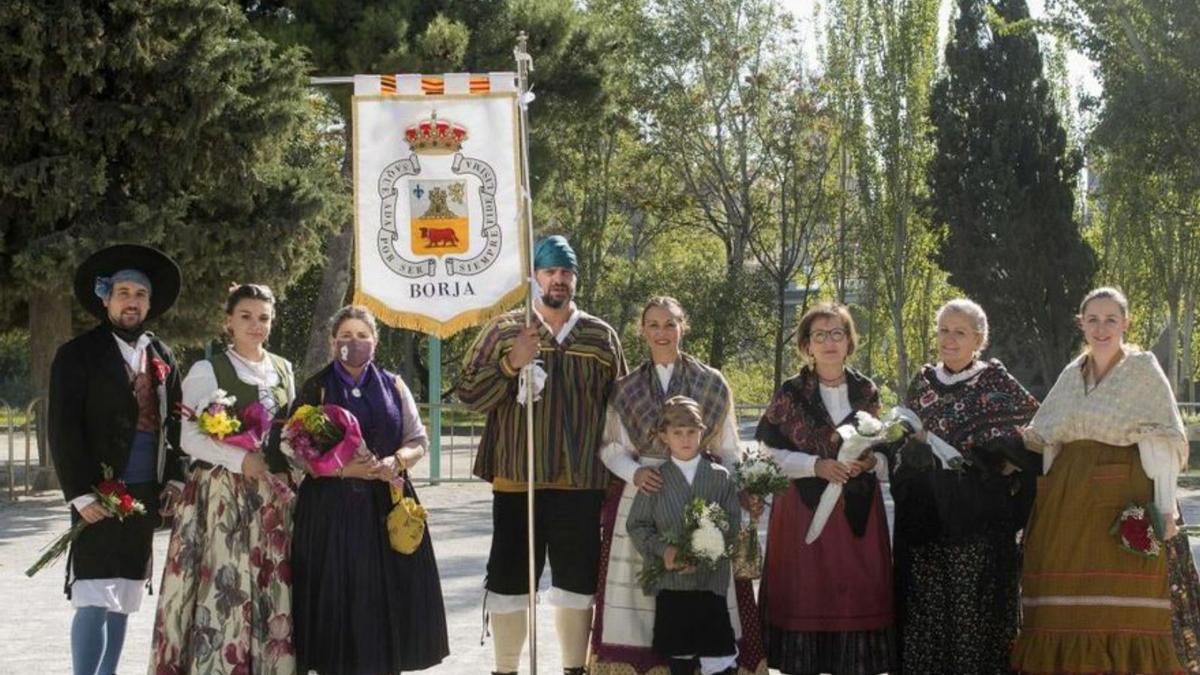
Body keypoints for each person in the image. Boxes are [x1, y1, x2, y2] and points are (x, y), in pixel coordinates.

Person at [458, 235, 626, 675]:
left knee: (577, 581)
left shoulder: (599, 335)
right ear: (534, 276)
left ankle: (573, 667)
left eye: (566, 272)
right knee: (511, 580)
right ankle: (506, 668)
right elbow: (469, 395)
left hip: (581, 480)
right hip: (518, 476)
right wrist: (511, 363)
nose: (558, 280)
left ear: (575, 278)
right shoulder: (504, 329)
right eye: (550, 271)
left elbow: (619, 410)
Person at [1012, 287, 1189, 675]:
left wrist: (1164, 508)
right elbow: (1046, 437)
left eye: (1111, 319)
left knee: (1128, 598)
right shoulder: (1070, 374)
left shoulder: (1142, 370)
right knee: (1062, 599)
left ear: (1126, 323)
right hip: (1065, 504)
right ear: (1081, 324)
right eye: (1092, 319)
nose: (1101, 327)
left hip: (1126, 497)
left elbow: (1162, 440)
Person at [590, 296, 768, 675]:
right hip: (647, 488)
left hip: (704, 487)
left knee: (705, 577)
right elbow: (610, 448)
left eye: (669, 324)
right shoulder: (626, 387)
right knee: (644, 583)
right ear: (642, 331)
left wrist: (741, 491)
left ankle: (714, 661)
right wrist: (634, 473)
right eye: (653, 325)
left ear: (682, 327)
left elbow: (728, 448)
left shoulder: (712, 382)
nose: (661, 332)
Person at [290, 305, 449, 674]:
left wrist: (397, 461)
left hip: (385, 510)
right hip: (330, 513)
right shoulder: (316, 387)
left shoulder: (394, 385)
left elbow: (418, 438)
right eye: (345, 336)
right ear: (333, 343)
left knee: (383, 604)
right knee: (337, 605)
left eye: (362, 335)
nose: (354, 343)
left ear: (374, 343)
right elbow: (294, 451)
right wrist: (340, 469)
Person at [49, 244, 185, 675]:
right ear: (105, 298)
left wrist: (175, 481)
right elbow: (63, 428)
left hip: (146, 492)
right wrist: (78, 494)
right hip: (97, 493)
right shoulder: (77, 354)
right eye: (123, 292)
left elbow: (177, 424)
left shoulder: (162, 355)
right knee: (93, 595)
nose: (132, 301)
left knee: (124, 595)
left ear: (149, 302)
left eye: (140, 294)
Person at [150, 283, 297, 673]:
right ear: (228, 322)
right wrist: (237, 457)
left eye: (263, 318)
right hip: (220, 496)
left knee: (270, 587)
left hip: (270, 498)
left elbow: (289, 433)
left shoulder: (284, 369)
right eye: (246, 317)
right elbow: (188, 436)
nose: (255, 325)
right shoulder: (207, 369)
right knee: (225, 587)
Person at [888, 298, 1039, 674]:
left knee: (976, 616)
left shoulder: (996, 382)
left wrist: (999, 458)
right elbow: (901, 448)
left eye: (960, 332)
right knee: (926, 616)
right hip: (926, 527)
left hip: (979, 527)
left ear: (979, 339)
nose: (949, 339)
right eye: (943, 330)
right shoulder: (922, 381)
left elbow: (1032, 439)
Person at [753, 302, 896, 675]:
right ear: (807, 346)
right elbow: (768, 450)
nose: (830, 342)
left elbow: (883, 453)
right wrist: (814, 465)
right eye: (820, 335)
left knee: (855, 591)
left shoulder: (867, 391)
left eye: (837, 334)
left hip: (857, 512)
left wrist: (869, 463)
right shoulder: (790, 394)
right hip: (802, 509)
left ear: (849, 342)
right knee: (807, 593)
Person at [626, 396, 742, 675]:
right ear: (664, 436)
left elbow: (732, 524)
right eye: (677, 433)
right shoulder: (656, 478)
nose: (685, 439)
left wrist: (710, 548)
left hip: (710, 582)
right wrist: (664, 551)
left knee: (719, 657)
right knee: (681, 658)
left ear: (702, 432)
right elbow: (637, 525)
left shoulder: (719, 477)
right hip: (672, 583)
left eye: (692, 431)